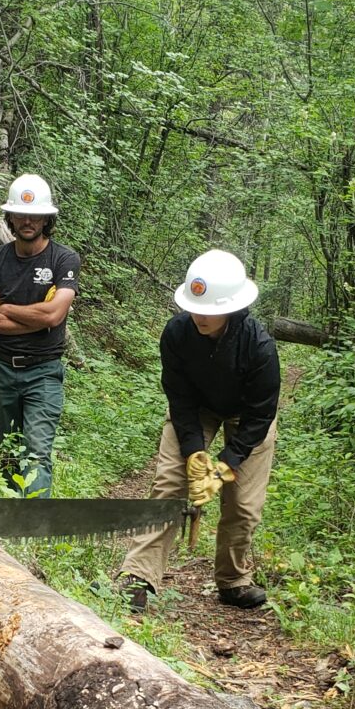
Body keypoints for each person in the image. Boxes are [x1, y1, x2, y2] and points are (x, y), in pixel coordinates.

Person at [118, 250, 280, 611]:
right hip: (197, 408)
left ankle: (233, 580)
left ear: (232, 308)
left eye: (208, 310)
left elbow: (261, 414)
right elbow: (179, 397)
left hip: (248, 418)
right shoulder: (177, 334)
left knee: (243, 504)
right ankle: (138, 577)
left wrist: (226, 464)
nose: (198, 316)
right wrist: (193, 452)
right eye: (194, 307)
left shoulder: (259, 346)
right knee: (170, 484)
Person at [0, 173, 80, 497]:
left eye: (34, 214)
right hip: (0, 368)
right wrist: (36, 318)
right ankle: (11, 528)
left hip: (44, 371)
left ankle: (34, 531)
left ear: (46, 217)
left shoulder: (64, 259)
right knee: (8, 453)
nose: (27, 220)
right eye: (20, 213)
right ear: (10, 216)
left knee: (36, 453)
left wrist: (5, 307)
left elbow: (54, 314)